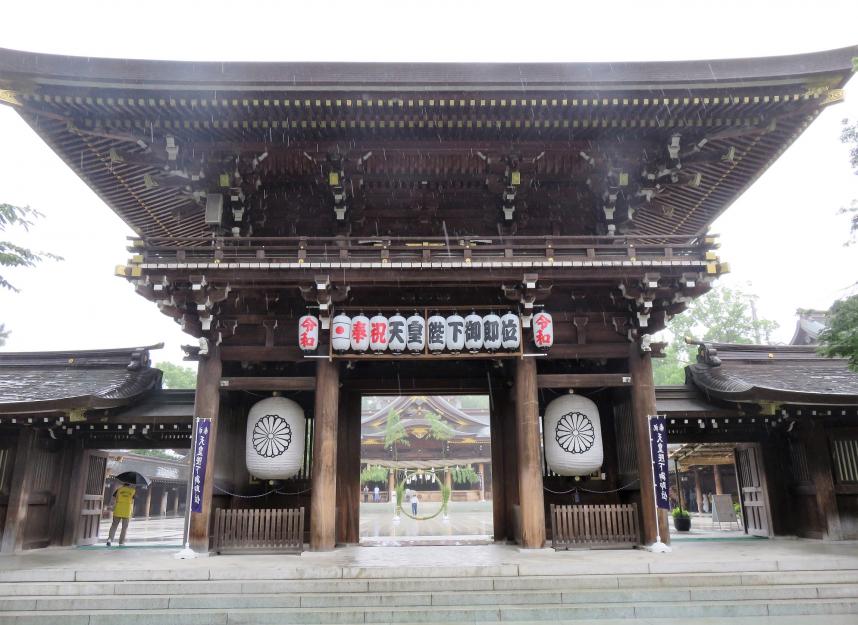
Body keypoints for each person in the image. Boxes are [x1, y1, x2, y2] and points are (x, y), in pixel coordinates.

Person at [106, 481, 137, 547]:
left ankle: (110, 539)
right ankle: (121, 542)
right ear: (129, 484)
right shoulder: (133, 491)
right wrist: (132, 511)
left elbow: (113, 500)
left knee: (114, 526)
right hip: (127, 510)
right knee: (124, 528)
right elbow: (133, 501)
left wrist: (111, 506)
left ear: (123, 484)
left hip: (118, 509)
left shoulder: (118, 490)